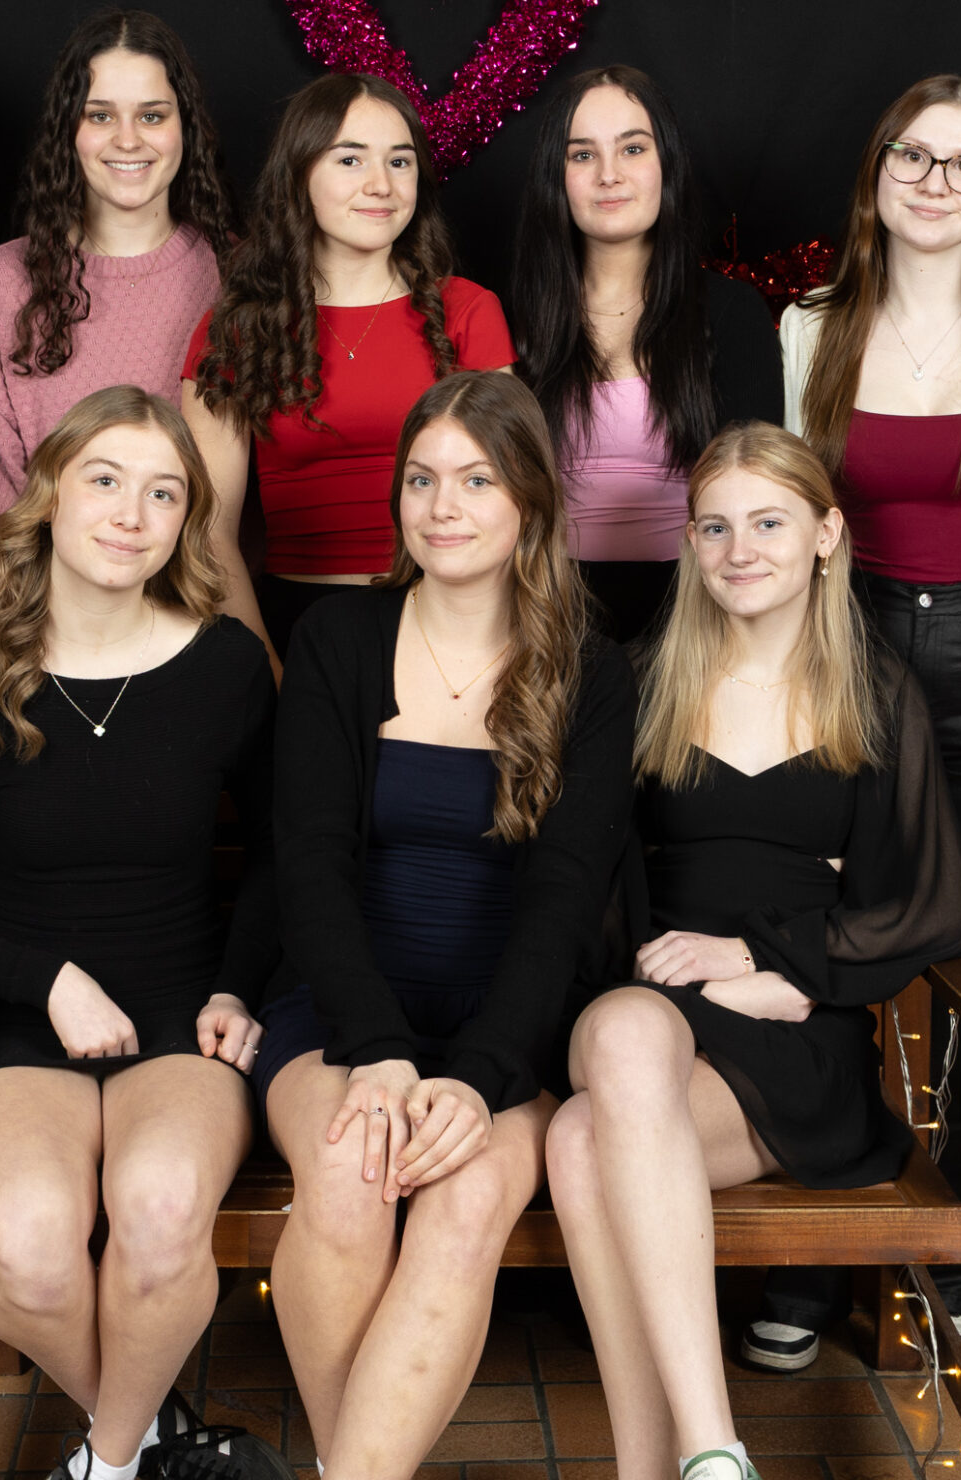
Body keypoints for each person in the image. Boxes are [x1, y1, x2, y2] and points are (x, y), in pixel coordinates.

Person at [0, 387, 285, 1480]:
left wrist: (237, 986)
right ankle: (151, 1442)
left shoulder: (226, 665)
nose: (131, 513)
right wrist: (45, 977)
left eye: (164, 493)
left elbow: (291, 860)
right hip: (16, 1028)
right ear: (49, 495)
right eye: (105, 479)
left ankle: (106, 1463)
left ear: (187, 523)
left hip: (183, 1019)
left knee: (161, 1210)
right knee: (34, 1250)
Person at [545, 422, 961, 1480]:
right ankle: (713, 1446)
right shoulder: (639, 682)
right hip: (649, 998)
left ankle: (665, 1465)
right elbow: (581, 881)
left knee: (581, 1145)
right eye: (715, 527)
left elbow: (933, 905)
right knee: (624, 1036)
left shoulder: (874, 690)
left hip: (790, 1031)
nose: (740, 550)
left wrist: (776, 962)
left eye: (769, 523)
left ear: (825, 533)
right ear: (689, 541)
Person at [746, 76, 961, 1367]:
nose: (936, 183)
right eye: (913, 157)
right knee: (833, 937)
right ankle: (816, 1247)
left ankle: (938, 1252)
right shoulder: (810, 327)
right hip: (851, 657)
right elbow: (789, 511)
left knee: (958, 960)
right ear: (876, 174)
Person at [257, 372, 635, 1480]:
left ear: (529, 499)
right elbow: (309, 864)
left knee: (464, 1206)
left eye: (475, 479)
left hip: (507, 1030)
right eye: (420, 480)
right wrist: (375, 1047)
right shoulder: (338, 637)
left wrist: (475, 1075)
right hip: (339, 1012)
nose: (443, 505)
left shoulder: (589, 668)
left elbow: (566, 896)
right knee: (349, 1171)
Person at [182, 73, 512, 668]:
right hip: (296, 624)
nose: (380, 184)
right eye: (350, 159)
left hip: (449, 618)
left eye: (400, 162)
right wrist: (266, 672)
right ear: (300, 174)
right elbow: (210, 534)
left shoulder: (467, 312)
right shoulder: (235, 329)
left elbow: (510, 499)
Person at [510, 66, 784, 642]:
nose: (609, 174)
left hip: (699, 615)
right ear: (556, 176)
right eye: (582, 155)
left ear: (668, 164)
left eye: (632, 148)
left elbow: (758, 492)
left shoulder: (733, 314)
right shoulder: (515, 319)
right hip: (547, 618)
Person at [0, 9, 236, 580]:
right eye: (100, 115)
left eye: (152, 115)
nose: (128, 139)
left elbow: (255, 501)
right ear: (69, 129)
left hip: (207, 613)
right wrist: (55, 621)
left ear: (185, 127)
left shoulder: (240, 276)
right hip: (43, 616)